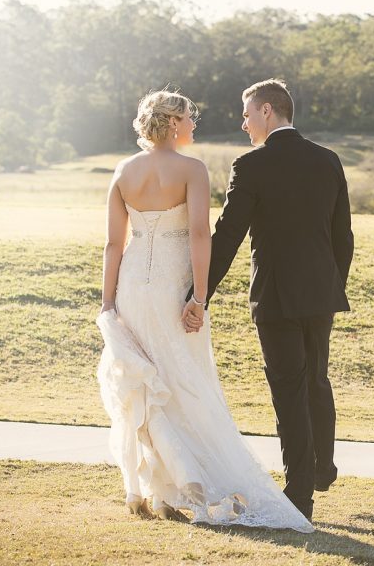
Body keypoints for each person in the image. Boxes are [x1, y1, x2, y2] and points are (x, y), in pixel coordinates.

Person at [96, 89, 313, 533]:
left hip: (133, 285)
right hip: (175, 284)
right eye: (190, 118)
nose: (194, 125)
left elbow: (113, 244)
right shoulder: (191, 170)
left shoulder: (124, 171)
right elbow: (200, 234)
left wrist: (107, 302)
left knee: (149, 382)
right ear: (173, 123)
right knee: (184, 382)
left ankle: (159, 490)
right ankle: (186, 485)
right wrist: (198, 297)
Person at [183, 79, 354, 523]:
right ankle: (322, 467)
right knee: (317, 379)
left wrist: (199, 293)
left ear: (266, 112)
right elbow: (343, 237)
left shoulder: (251, 166)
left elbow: (227, 237)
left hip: (276, 297)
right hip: (321, 293)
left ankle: (299, 494)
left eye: (246, 114)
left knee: (288, 388)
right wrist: (333, 286)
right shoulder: (328, 160)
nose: (243, 124)